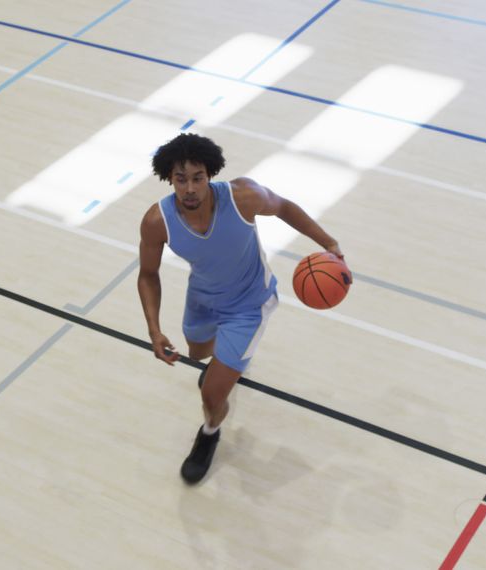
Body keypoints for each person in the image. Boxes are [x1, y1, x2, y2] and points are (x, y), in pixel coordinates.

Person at [136, 133, 343, 484]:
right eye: (181, 179)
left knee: (211, 392)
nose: (189, 188)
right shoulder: (158, 221)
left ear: (210, 175)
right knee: (198, 354)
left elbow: (285, 207)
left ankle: (209, 432)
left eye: (197, 178)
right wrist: (154, 330)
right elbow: (148, 275)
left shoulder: (243, 197)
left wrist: (329, 244)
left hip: (249, 306)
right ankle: (227, 367)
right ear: (169, 177)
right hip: (202, 298)